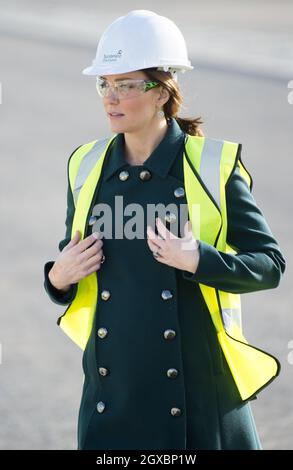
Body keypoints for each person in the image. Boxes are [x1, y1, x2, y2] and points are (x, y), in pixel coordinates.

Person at [43, 10, 286, 450]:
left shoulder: (211, 166)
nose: (110, 98)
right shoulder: (85, 165)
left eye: (127, 85)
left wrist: (197, 260)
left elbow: (270, 266)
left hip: (195, 395)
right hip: (112, 394)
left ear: (161, 91)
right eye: (105, 84)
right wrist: (57, 279)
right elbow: (72, 260)